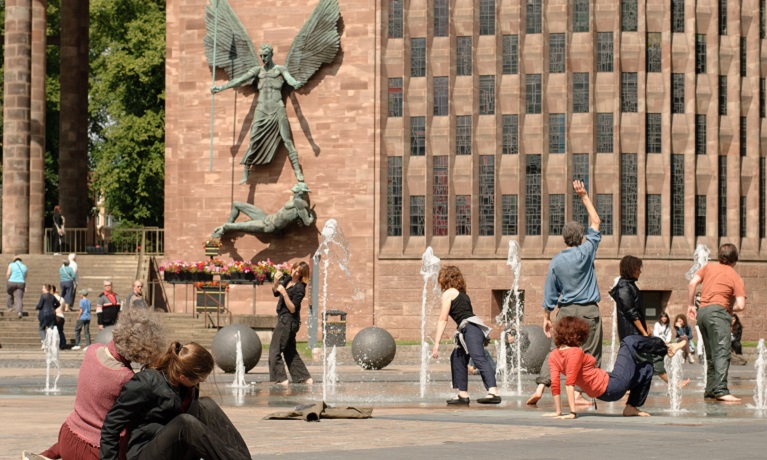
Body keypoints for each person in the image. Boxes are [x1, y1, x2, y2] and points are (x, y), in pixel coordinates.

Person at [24, 307, 166, 460]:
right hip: (95, 451)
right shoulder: (127, 377)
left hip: (67, 436)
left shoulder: (92, 350)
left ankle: (47, 455)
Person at [100, 342, 251, 460]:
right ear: (183, 377)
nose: (201, 382)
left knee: (206, 405)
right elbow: (111, 426)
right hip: (145, 452)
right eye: (199, 379)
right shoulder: (145, 382)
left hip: (175, 449)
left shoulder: (188, 386)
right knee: (185, 422)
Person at [527, 179, 602, 406]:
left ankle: (541, 387)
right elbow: (597, 221)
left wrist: (546, 319)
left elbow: (549, 293)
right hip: (588, 311)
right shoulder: (586, 251)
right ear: (581, 239)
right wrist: (584, 196)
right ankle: (578, 394)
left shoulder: (556, 262)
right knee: (589, 352)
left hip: (565, 311)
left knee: (556, 351)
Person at [545, 316, 688, 419]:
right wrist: (572, 413)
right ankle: (667, 348)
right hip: (612, 385)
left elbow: (555, 385)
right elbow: (569, 384)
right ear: (575, 334)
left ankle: (631, 406)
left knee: (647, 368)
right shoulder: (575, 352)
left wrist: (558, 411)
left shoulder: (554, 355)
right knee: (628, 341)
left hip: (607, 387)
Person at [211, 43, 306, 183]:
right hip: (261, 108)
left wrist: (295, 83)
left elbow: (290, 79)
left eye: (265, 56)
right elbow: (240, 80)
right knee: (253, 138)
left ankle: (297, 171)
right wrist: (220, 88)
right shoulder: (258, 71)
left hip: (277, 107)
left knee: (287, 139)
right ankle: (246, 170)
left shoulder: (280, 69)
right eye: (261, 56)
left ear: (271, 55)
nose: (263, 58)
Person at [432, 265, 500, 405]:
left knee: (478, 357)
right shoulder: (463, 294)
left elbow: (443, 318)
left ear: (445, 278)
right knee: (457, 357)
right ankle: (462, 394)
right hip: (469, 329)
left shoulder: (449, 292)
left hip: (470, 329)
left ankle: (493, 392)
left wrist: (436, 342)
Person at [687, 243, 746, 402]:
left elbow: (692, 283)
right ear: (735, 260)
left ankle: (711, 389)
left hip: (702, 313)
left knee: (711, 354)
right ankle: (721, 390)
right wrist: (725, 307)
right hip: (718, 314)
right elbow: (740, 305)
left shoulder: (708, 267)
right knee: (721, 351)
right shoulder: (735, 276)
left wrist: (691, 305)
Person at [212, 183, 315, 237]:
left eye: (297, 186)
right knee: (236, 204)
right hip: (266, 218)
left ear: (301, 191)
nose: (295, 185)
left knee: (238, 226)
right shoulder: (296, 200)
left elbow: (307, 222)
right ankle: (227, 227)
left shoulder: (299, 203)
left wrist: (311, 217)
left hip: (269, 226)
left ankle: (225, 228)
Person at [269, 261, 313, 385]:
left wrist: (285, 293)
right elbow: (275, 292)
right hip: (283, 319)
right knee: (289, 350)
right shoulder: (288, 279)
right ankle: (304, 377)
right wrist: (276, 281)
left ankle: (281, 379)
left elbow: (293, 308)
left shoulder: (300, 287)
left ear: (302, 275)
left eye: (298, 271)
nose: (294, 272)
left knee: (274, 349)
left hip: (288, 320)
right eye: (294, 269)